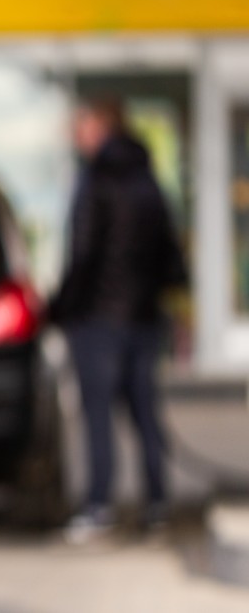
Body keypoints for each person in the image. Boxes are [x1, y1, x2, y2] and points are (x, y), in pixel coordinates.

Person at [49, 97, 188, 542]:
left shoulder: (96, 180)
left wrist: (59, 308)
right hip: (144, 317)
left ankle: (98, 506)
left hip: (98, 319)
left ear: (99, 126)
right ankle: (157, 503)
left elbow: (84, 253)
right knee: (145, 412)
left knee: (98, 416)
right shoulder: (148, 178)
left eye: (79, 124)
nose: (74, 134)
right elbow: (169, 249)